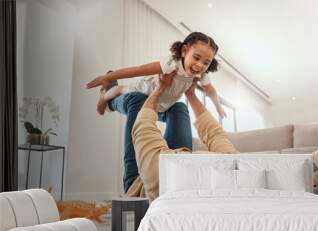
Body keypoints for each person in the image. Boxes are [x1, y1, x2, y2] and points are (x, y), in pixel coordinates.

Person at [86, 32, 226, 194]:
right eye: (196, 58)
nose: (200, 65)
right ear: (184, 51)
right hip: (142, 94)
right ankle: (106, 99)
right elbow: (138, 70)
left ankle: (177, 169)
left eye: (206, 63)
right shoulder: (171, 63)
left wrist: (218, 107)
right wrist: (108, 76)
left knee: (180, 107)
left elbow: (210, 90)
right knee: (121, 90)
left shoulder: (201, 75)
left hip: (163, 106)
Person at [128, 72, 238, 201]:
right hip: (176, 165)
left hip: (139, 184)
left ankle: (110, 102)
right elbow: (215, 134)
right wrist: (190, 94)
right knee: (179, 107)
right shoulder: (230, 163)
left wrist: (159, 88)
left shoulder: (159, 172)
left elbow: (142, 126)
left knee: (136, 101)